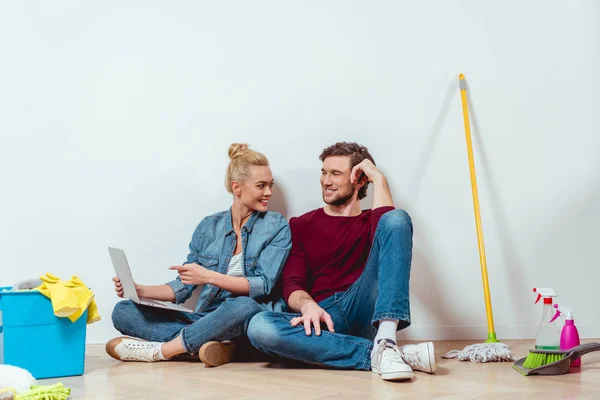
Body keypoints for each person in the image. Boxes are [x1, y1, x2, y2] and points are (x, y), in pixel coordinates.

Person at [246, 142, 436, 381]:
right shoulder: (301, 225)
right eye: (324, 172)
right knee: (260, 326)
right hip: (324, 317)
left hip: (365, 307)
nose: (326, 181)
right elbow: (292, 284)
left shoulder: (372, 222)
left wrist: (378, 178)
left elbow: (392, 229)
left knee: (397, 218)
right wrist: (307, 305)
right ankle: (385, 353)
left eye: (336, 174)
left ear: (359, 180)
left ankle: (386, 337)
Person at [106, 143, 291, 367]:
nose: (268, 193)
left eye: (269, 185)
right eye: (261, 186)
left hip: (248, 317)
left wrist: (208, 277)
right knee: (123, 311)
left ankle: (165, 350)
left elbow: (263, 285)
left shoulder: (276, 225)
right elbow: (183, 286)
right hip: (205, 318)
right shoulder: (208, 227)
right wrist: (139, 290)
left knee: (243, 305)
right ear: (237, 187)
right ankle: (212, 345)